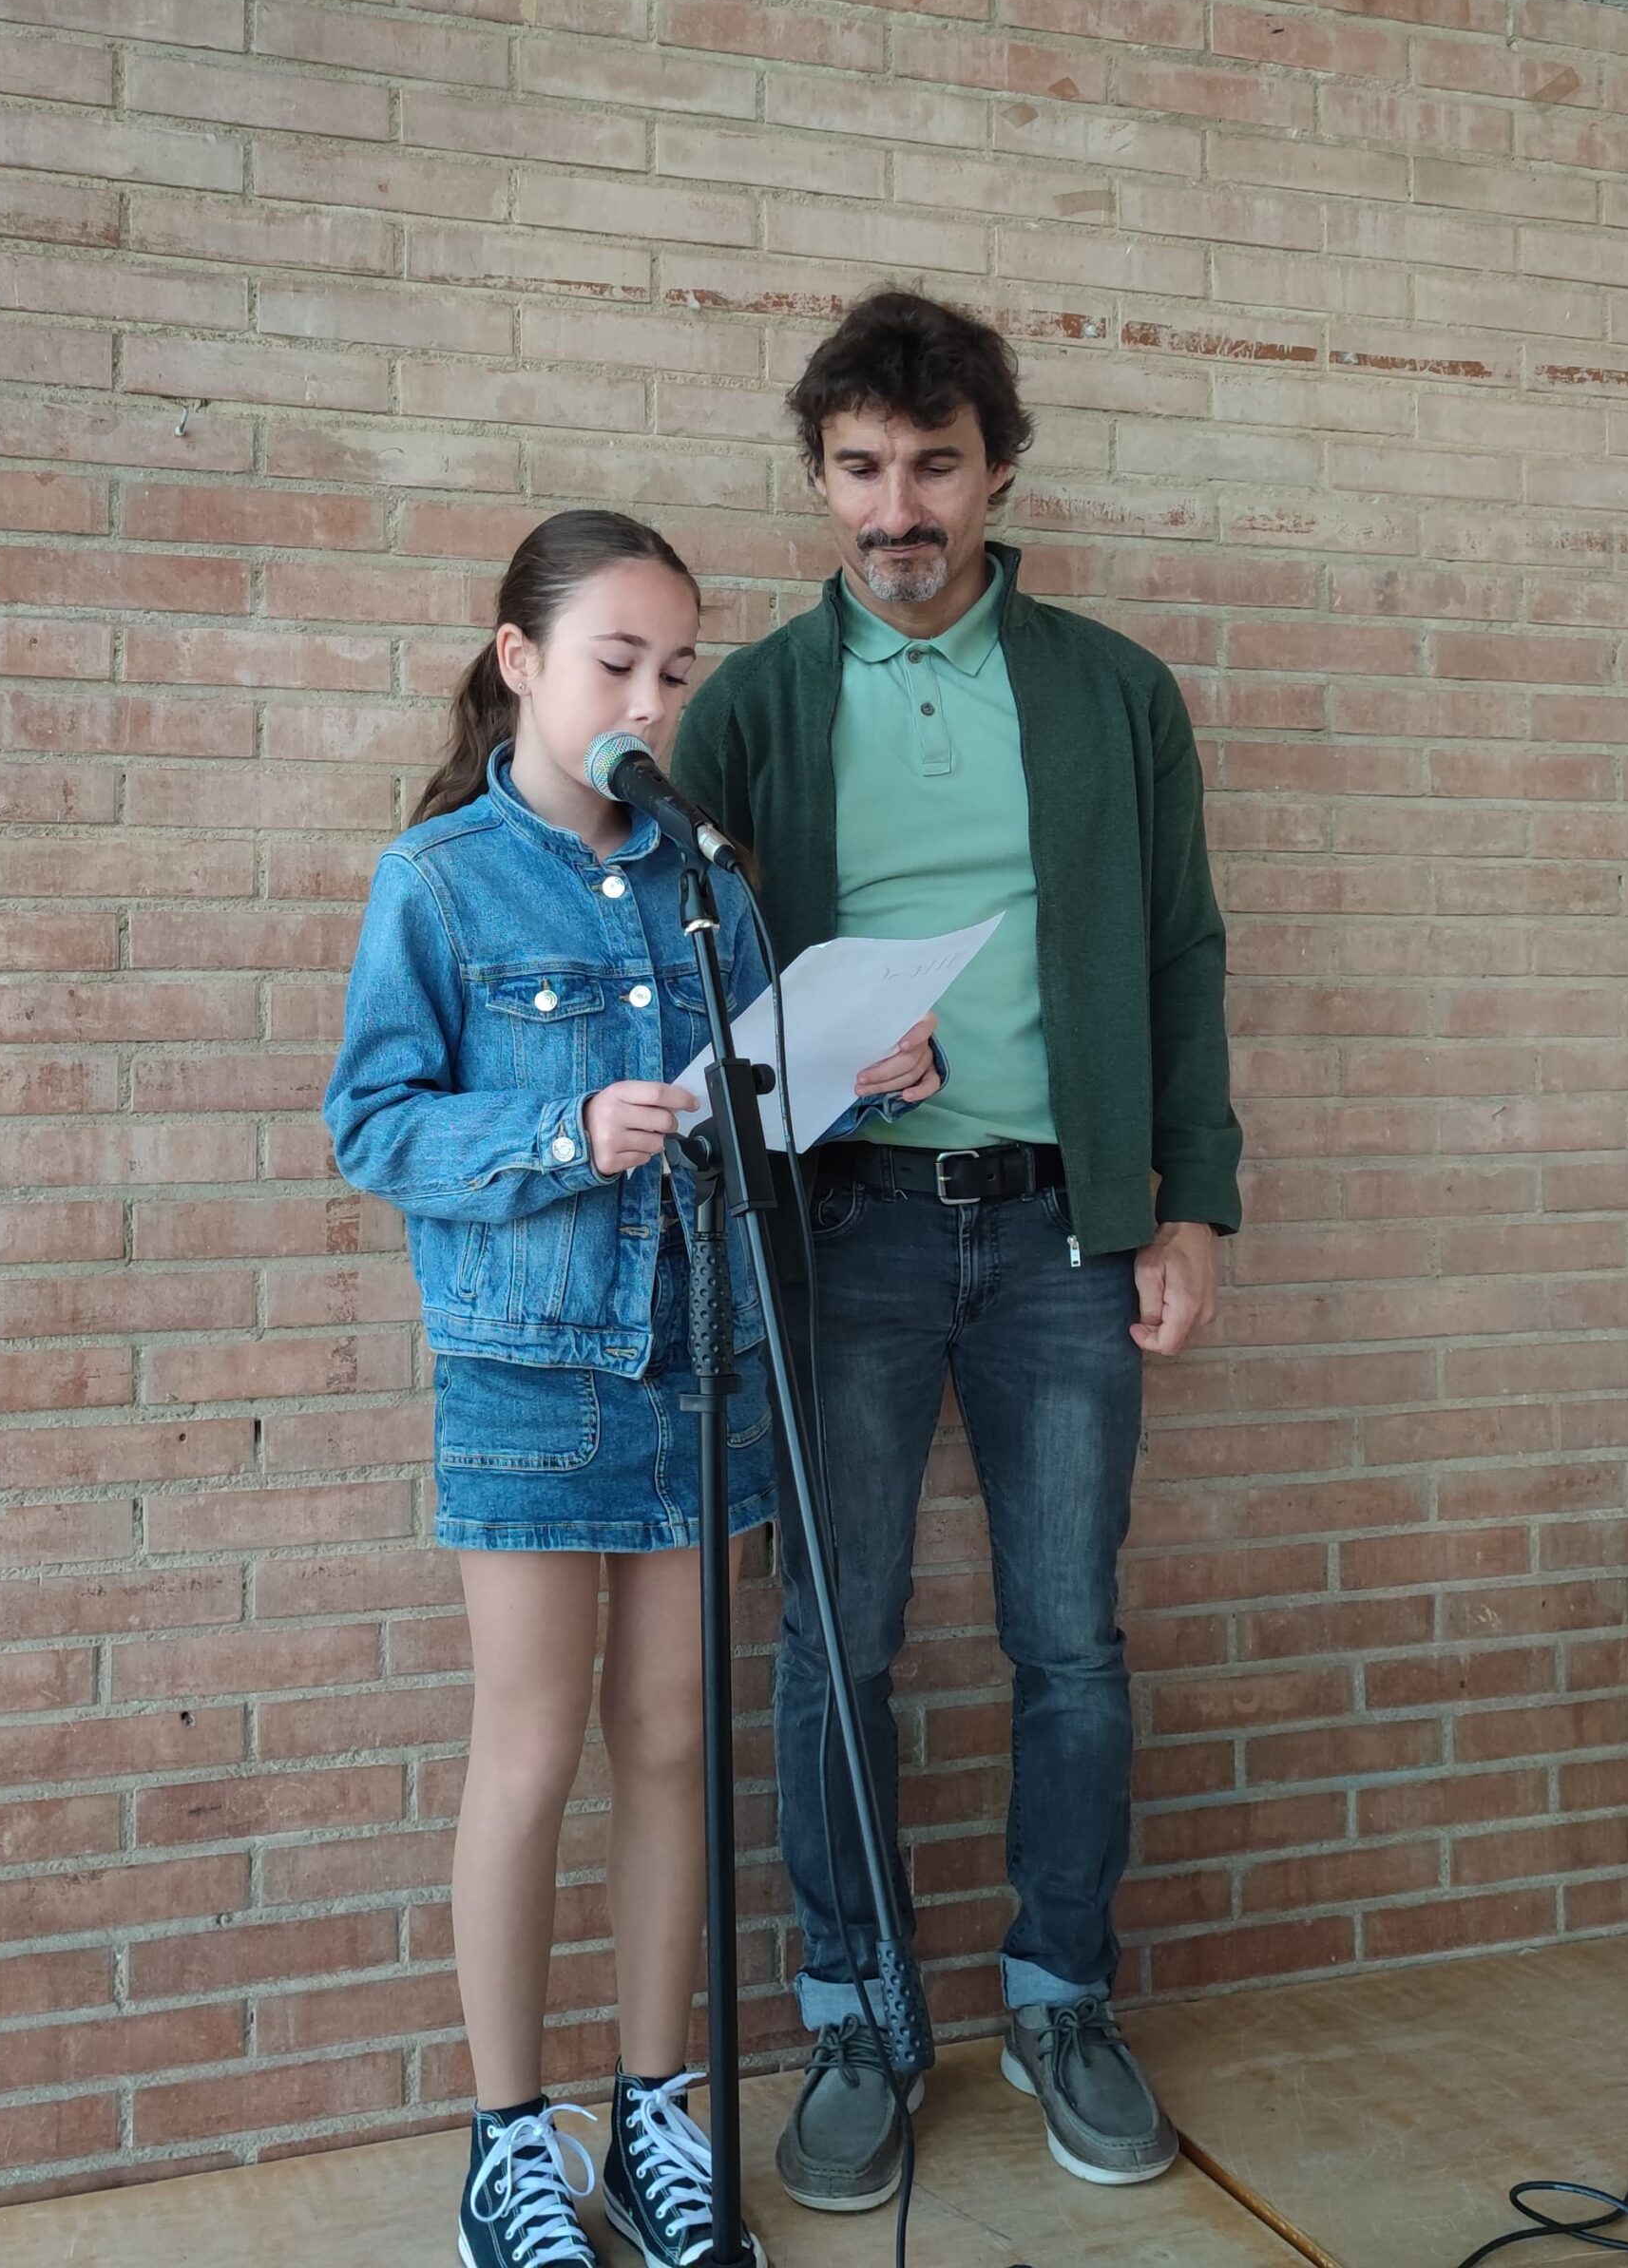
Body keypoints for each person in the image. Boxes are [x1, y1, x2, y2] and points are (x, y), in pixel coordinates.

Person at [671, 294, 1243, 2209]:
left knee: (1066, 1636)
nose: (895, 507)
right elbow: (684, 984)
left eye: (932, 464)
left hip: (1060, 1230)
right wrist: (816, 1071)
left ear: (997, 468)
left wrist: (1185, 1202)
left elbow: (1179, 952)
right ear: (818, 476)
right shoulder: (751, 705)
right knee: (833, 1642)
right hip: (838, 1236)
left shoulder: (1107, 692)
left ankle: (1061, 2001)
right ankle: (856, 2017)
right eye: (859, 468)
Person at [323, 509, 941, 2268]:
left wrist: (864, 1075)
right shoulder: (440, 879)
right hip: (533, 1380)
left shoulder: (706, 881)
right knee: (529, 1753)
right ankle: (509, 2144)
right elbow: (373, 1125)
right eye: (616, 664)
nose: (649, 703)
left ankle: (657, 2112)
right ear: (520, 660)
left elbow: (753, 1108)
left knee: (674, 1744)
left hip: (705, 1367)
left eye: (673, 671)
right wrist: (559, 1131)